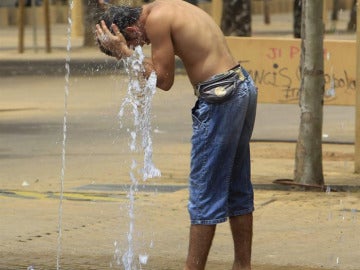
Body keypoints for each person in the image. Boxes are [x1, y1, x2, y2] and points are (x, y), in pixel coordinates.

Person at [95, 1, 257, 269]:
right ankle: (242, 265)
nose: (141, 47)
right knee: (236, 187)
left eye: (137, 43)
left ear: (133, 29)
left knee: (204, 192)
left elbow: (164, 80)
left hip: (221, 97)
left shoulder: (156, 21)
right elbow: (118, 9)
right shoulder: (159, 7)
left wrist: (124, 53)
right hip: (241, 85)